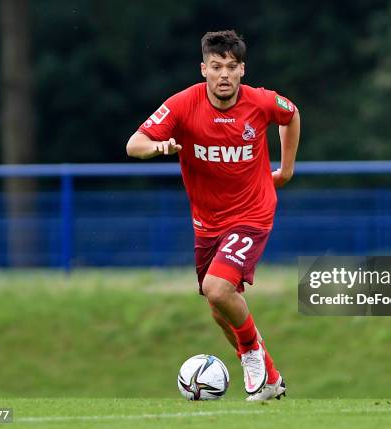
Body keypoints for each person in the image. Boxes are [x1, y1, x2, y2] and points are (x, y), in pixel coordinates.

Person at [126, 30, 300, 401]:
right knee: (218, 304)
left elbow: (291, 113)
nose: (224, 74)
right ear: (203, 68)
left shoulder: (261, 102)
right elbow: (133, 144)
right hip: (207, 222)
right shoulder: (183, 104)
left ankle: (252, 354)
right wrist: (158, 146)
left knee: (217, 288)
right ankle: (268, 375)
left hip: (253, 212)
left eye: (231, 67)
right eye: (216, 66)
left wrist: (285, 171)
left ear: (242, 71)